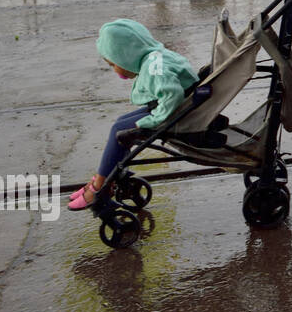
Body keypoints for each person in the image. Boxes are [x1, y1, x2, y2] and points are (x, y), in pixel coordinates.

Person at [71, 20, 200, 210]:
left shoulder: (154, 67)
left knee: (119, 130)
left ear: (125, 56)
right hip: (179, 106)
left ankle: (100, 187)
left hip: (175, 112)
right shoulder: (154, 57)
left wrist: (153, 120)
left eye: (113, 64)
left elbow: (172, 94)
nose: (114, 69)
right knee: (121, 123)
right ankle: (110, 174)